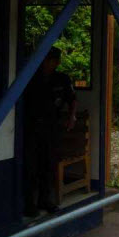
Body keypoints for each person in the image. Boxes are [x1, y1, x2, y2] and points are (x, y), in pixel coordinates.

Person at [23, 47, 76, 217]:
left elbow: (72, 99)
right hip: (31, 127)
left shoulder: (61, 79)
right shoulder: (30, 78)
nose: (54, 63)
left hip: (52, 127)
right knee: (31, 165)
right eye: (51, 60)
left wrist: (72, 117)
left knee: (48, 164)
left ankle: (45, 200)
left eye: (55, 60)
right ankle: (29, 204)